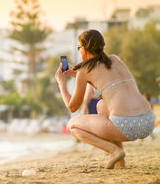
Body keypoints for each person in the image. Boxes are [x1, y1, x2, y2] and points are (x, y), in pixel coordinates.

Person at [55, 29, 154, 169]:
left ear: (85, 49)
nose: (79, 51)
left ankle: (114, 151)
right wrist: (77, 75)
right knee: (102, 105)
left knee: (72, 125)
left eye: (79, 48)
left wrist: (61, 83)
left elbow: (72, 107)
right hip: (148, 121)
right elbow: (104, 78)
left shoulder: (84, 70)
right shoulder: (115, 59)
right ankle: (121, 163)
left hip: (127, 126)